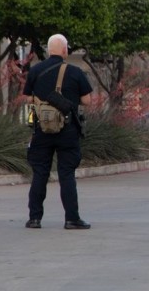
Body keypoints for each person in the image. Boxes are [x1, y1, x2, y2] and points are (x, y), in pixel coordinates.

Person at [23, 34, 95, 230]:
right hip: (68, 130)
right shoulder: (75, 72)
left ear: (48, 50)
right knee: (66, 174)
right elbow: (87, 101)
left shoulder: (35, 70)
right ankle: (71, 219)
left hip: (42, 130)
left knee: (40, 174)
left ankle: (34, 218)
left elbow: (28, 99)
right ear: (65, 51)